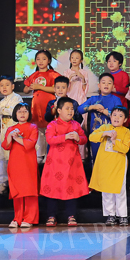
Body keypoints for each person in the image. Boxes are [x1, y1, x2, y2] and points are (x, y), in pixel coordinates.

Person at [41, 97, 88, 227]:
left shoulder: (76, 125)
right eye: (67, 108)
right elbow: (50, 139)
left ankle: (71, 215)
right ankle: (51, 215)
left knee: (71, 188)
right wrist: (65, 137)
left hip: (72, 163)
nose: (70, 111)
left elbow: (84, 139)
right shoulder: (53, 124)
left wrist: (78, 138)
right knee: (52, 188)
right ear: (59, 110)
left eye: (72, 109)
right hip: (55, 163)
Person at [88, 106, 130, 226]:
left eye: (120, 116)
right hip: (105, 164)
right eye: (114, 115)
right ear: (110, 116)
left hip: (118, 165)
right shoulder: (105, 127)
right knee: (106, 191)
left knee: (120, 190)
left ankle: (122, 215)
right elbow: (91, 137)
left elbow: (125, 149)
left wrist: (114, 141)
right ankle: (110, 215)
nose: (117, 118)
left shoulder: (126, 131)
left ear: (125, 119)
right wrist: (105, 133)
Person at [0, 75, 23, 195]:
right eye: (1, 85)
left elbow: (14, 111)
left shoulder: (17, 98)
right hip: (4, 134)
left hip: (14, 134)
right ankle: (2, 183)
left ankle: (16, 184)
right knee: (3, 159)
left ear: (12, 86)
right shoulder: (2, 101)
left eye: (7, 85)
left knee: (14, 159)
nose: (4, 87)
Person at [80, 74, 125, 162]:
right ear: (99, 85)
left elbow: (121, 116)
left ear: (113, 86)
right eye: (103, 83)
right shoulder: (93, 99)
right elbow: (80, 109)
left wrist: (105, 112)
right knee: (96, 158)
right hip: (96, 134)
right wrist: (92, 107)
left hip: (111, 135)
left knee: (109, 160)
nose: (106, 85)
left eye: (109, 83)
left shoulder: (116, 100)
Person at [23, 49, 58, 136]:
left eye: (44, 59)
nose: (41, 61)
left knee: (50, 128)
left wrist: (39, 87)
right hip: (36, 105)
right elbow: (25, 90)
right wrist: (29, 88)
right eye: (38, 59)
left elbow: (55, 89)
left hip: (48, 104)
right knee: (38, 130)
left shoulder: (53, 74)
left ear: (49, 61)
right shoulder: (34, 75)